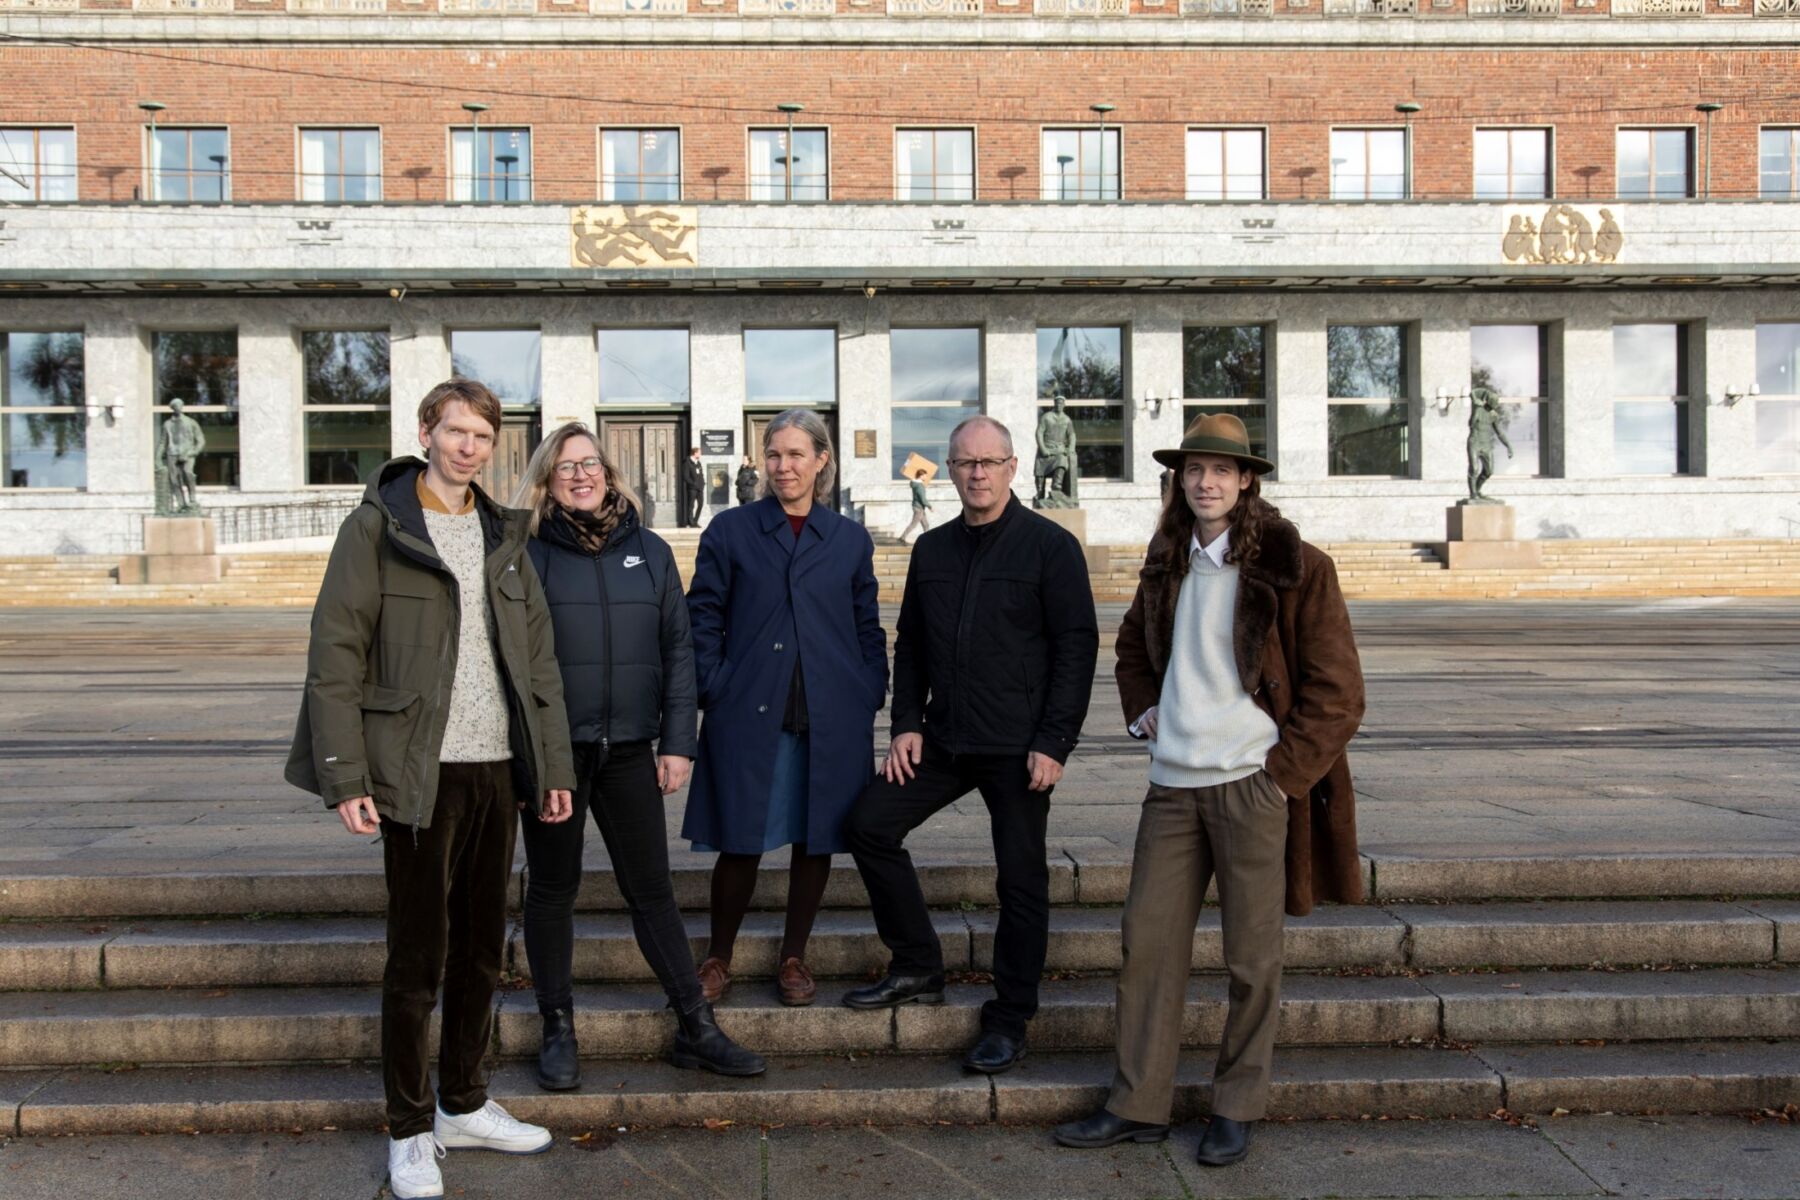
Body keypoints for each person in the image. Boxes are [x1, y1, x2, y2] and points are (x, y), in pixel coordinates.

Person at [284, 378, 576, 1200]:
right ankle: (409, 1129)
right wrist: (345, 775)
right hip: (418, 775)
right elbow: (335, 653)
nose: (468, 448)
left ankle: (463, 1103)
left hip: (495, 773)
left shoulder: (502, 534)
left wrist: (550, 768)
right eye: (455, 432)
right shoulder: (377, 528)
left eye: (482, 436)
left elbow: (540, 667)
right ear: (426, 432)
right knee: (419, 956)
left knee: (484, 949)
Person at [1053, 412, 1365, 1167]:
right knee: (1146, 949)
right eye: (1194, 469)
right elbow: (1130, 648)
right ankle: (1138, 1104)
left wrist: (1281, 778)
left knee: (1251, 959)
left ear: (1247, 479)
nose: (1206, 481)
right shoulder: (1168, 559)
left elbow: (1339, 692)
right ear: (1179, 478)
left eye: (1222, 470)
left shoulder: (1296, 565)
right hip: (1172, 788)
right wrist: (1143, 712)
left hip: (1252, 788)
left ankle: (1236, 1105)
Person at [511, 422, 765, 1092]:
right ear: (546, 480)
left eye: (589, 463)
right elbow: (511, 662)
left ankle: (695, 1024)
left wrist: (678, 742)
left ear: (608, 471)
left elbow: (679, 653)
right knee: (552, 888)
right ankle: (558, 1026)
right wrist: (534, 760)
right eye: (565, 467)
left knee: (651, 890)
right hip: (558, 757)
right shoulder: (526, 554)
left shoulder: (650, 552)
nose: (580, 475)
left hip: (628, 750)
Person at [843, 416, 1098, 1074]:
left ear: (1013, 468)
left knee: (1021, 880)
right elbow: (913, 645)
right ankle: (918, 965)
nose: (977, 473)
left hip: (1020, 750)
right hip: (945, 737)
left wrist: (1055, 742)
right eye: (964, 463)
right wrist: (905, 723)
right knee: (869, 825)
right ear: (949, 471)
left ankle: (1010, 1018)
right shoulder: (933, 551)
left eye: (989, 462)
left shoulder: (1049, 548)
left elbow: (1077, 648)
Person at [683, 409, 888, 1007]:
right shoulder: (731, 530)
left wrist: (869, 687)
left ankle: (793, 955)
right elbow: (704, 617)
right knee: (741, 838)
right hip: (749, 710)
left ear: (821, 461)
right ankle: (719, 955)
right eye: (774, 454)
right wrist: (715, 684)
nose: (783, 466)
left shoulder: (848, 538)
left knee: (815, 837)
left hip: (830, 713)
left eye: (797, 454)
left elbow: (867, 624)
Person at [159, 397, 205, 512]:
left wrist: (192, 452)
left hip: (188, 454)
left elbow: (201, 441)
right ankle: (181, 503)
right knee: (174, 480)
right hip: (172, 453)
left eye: (179, 405)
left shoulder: (191, 422)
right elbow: (162, 442)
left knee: (187, 473)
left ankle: (192, 500)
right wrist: (157, 457)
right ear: (173, 409)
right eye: (175, 406)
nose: (178, 408)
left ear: (182, 407)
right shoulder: (167, 424)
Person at [897, 466, 932, 543]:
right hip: (919, 508)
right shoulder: (919, 486)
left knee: (925, 524)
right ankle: (902, 537)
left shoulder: (916, 484)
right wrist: (929, 506)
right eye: (925, 475)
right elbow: (922, 498)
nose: (926, 477)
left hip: (919, 507)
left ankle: (928, 540)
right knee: (914, 524)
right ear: (921, 475)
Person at [681, 446, 706, 527]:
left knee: (701, 504)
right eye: (699, 452)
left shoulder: (698, 463)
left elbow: (701, 474)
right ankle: (691, 522)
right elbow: (685, 476)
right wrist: (693, 483)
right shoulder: (687, 462)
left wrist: (703, 483)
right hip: (692, 488)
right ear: (695, 453)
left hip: (700, 488)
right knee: (691, 505)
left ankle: (695, 521)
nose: (700, 454)